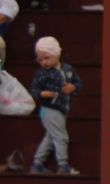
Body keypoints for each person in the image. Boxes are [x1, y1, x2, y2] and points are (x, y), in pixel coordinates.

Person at [29, 35, 80, 175]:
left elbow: (77, 84)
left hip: (62, 109)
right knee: (61, 136)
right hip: (49, 109)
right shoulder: (42, 74)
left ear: (56, 54)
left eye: (47, 58)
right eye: (40, 59)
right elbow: (34, 91)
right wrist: (43, 94)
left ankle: (37, 163)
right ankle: (63, 165)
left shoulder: (68, 70)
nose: (43, 62)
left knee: (51, 137)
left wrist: (73, 88)